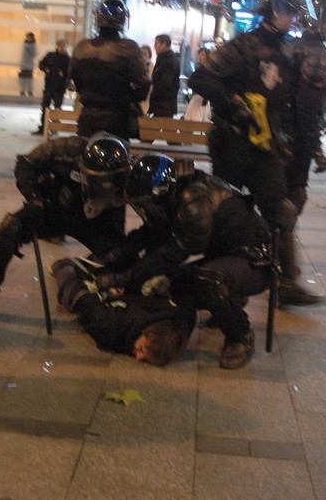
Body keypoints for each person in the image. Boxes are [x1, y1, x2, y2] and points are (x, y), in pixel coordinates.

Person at [187, 0, 322, 307]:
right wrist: (233, 102)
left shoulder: (287, 55)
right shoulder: (242, 47)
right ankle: (215, 281)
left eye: (294, 12)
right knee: (226, 214)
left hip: (265, 149)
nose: (291, 18)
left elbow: (286, 104)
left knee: (281, 213)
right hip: (231, 143)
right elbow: (200, 78)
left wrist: (294, 140)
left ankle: (284, 281)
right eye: (287, 10)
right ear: (271, 9)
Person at [116, 153, 274, 369]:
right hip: (228, 256)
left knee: (209, 278)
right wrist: (116, 258)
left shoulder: (195, 204)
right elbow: (153, 235)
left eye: (146, 201)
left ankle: (240, 337)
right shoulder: (178, 192)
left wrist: (125, 277)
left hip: (256, 263)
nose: (146, 208)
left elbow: (172, 254)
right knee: (177, 282)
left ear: (159, 192)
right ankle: (229, 303)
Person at [0, 134, 131, 329]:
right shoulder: (67, 149)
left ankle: (87, 271)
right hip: (52, 208)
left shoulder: (125, 172)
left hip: (95, 221)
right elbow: (25, 164)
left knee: (123, 259)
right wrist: (34, 198)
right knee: (8, 231)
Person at [50, 258, 194, 366]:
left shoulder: (174, 324)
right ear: (148, 333)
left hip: (119, 299)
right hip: (98, 305)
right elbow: (84, 303)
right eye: (142, 350)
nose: (138, 357)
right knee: (72, 294)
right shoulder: (112, 324)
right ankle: (64, 266)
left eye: (144, 359)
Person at [286, 0, 326, 213]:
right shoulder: (317, 55)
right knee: (294, 195)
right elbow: (308, 109)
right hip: (297, 137)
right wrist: (315, 148)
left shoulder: (289, 45)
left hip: (278, 131)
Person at [69, 0, 151, 140]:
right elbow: (143, 85)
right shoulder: (130, 49)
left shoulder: (82, 47)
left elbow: (76, 80)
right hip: (118, 119)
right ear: (123, 21)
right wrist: (126, 95)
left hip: (88, 117)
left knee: (86, 157)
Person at [32, 39, 70, 135]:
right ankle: (43, 128)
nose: (62, 48)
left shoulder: (68, 59)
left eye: (64, 46)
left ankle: (54, 128)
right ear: (57, 46)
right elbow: (41, 64)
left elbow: (71, 72)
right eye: (60, 45)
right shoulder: (50, 55)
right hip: (49, 86)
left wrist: (64, 74)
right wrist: (45, 69)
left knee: (57, 109)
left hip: (60, 88)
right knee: (45, 107)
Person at [148, 34, 179, 117]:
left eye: (156, 44)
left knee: (156, 127)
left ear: (164, 44)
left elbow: (165, 84)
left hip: (163, 105)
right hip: (163, 105)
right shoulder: (164, 59)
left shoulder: (168, 61)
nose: (154, 47)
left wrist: (154, 93)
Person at [184, 47, 212, 123]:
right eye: (199, 54)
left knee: (194, 120)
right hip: (201, 99)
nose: (200, 56)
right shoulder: (201, 69)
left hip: (199, 99)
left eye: (203, 54)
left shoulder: (204, 71)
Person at [18, 32, 36, 97]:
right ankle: (22, 91)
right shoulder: (25, 44)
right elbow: (22, 54)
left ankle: (29, 91)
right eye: (27, 37)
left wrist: (28, 47)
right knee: (22, 78)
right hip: (23, 65)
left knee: (29, 79)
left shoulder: (33, 45)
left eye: (29, 37)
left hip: (29, 65)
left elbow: (34, 54)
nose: (28, 38)